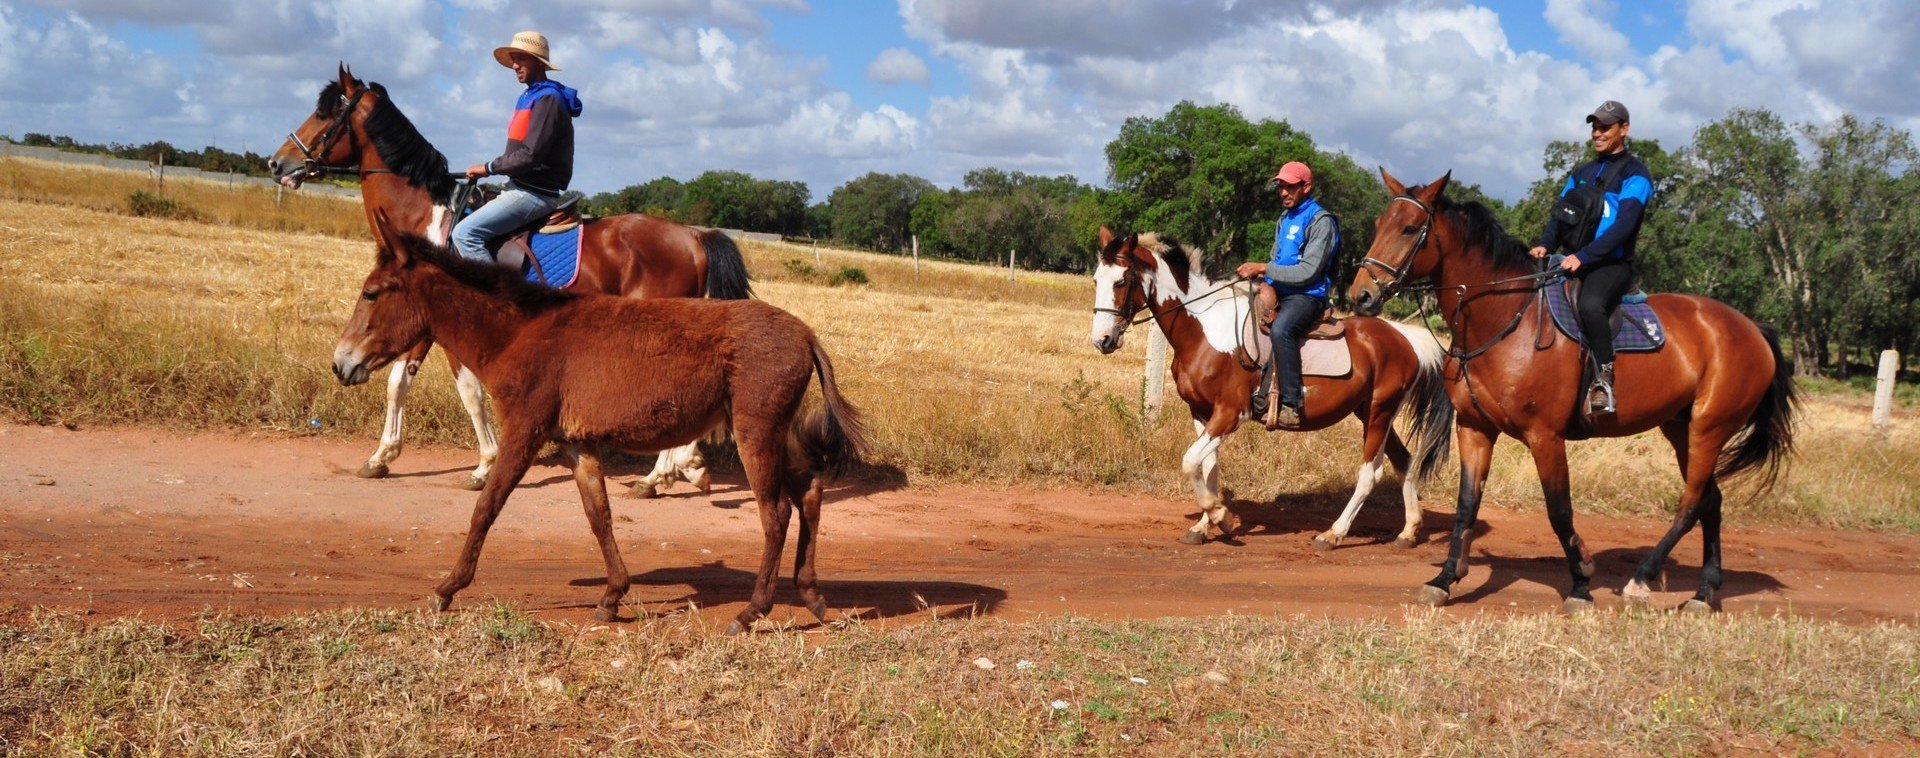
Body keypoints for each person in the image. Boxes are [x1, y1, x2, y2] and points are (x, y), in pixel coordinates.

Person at [1528, 99, 1653, 415]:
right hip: (1573, 259)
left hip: (1611, 264)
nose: (1597, 133)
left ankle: (1603, 381)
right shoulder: (1581, 172)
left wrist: (1584, 257)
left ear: (1623, 129)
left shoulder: (1636, 175)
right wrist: (1546, 243)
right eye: (1594, 127)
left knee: (1590, 305)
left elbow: (1624, 227)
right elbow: (1561, 215)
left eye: (1605, 127)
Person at [451, 31, 584, 263]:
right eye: (513, 59)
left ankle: (497, 298)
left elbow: (530, 155)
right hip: (518, 187)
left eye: (521, 59)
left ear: (538, 62)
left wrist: (488, 167)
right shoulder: (529, 96)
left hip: (532, 194)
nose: (514, 65)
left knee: (464, 234)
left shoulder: (548, 99)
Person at [1236, 161, 1340, 430]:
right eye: (1280, 186)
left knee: (1282, 329)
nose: (1283, 192)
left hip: (1307, 296)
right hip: (1279, 290)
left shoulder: (1322, 221)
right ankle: (1257, 392)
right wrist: (1261, 278)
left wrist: (1263, 267)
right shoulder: (1284, 218)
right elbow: (1277, 259)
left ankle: (1291, 404)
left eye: (1290, 186)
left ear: (1306, 186)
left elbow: (1307, 271)